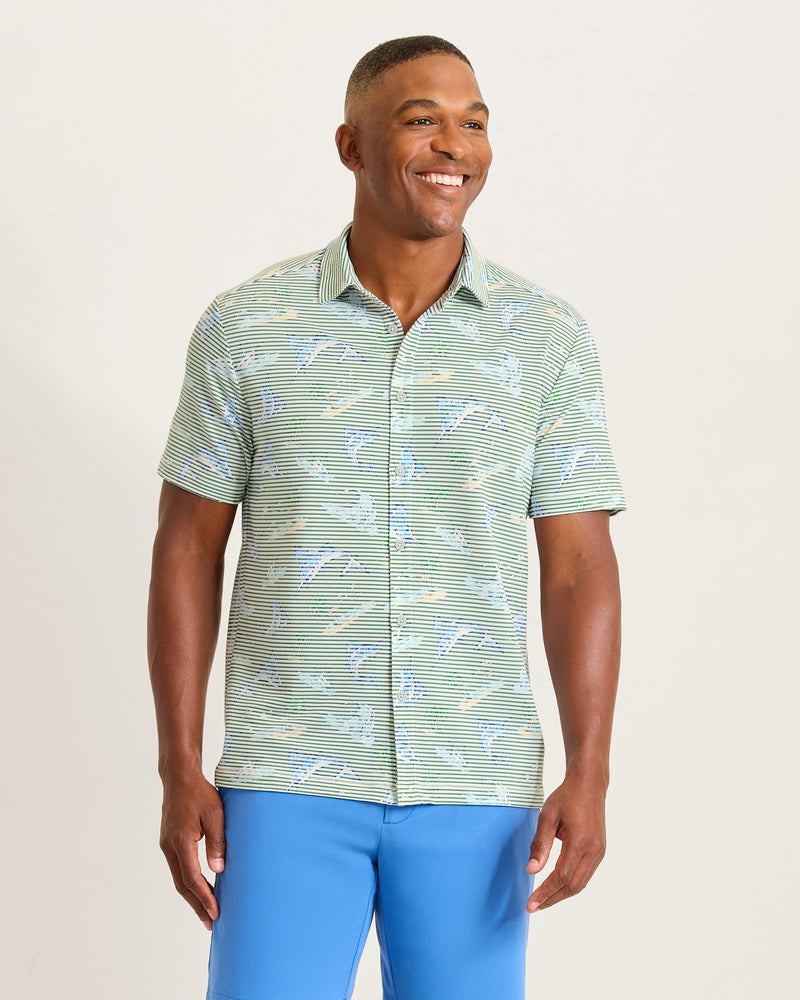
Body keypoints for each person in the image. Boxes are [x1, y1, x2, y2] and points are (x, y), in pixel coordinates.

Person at [148, 34, 627, 1000]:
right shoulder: (247, 326)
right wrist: (178, 765)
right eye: (421, 119)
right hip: (286, 776)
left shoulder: (547, 338)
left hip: (476, 781)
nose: (455, 144)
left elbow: (579, 566)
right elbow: (188, 549)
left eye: (474, 123)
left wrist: (591, 770)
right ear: (351, 146)